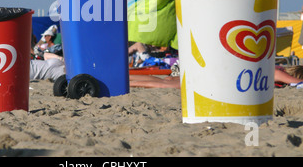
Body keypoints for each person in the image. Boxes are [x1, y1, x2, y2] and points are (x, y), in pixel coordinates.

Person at [129, 64, 303, 89]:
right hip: (218, 79)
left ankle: (125, 80)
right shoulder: (277, 72)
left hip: (220, 72)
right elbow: (299, 84)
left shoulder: (271, 67)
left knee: (167, 80)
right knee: (168, 85)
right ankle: (127, 83)